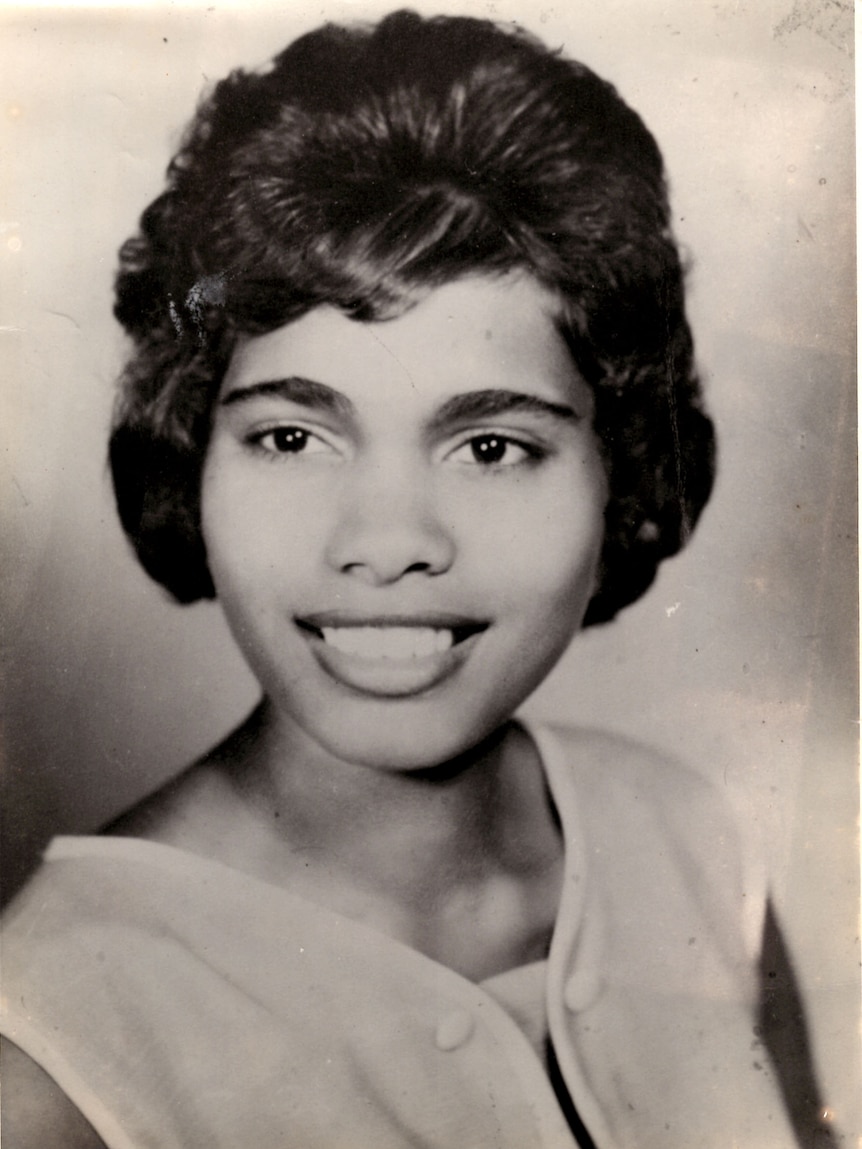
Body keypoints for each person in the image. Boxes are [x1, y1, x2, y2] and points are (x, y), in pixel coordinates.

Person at [0, 10, 834, 1148]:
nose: (387, 543)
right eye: (293, 437)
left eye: (491, 446)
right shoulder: (49, 1053)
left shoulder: (687, 836)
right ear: (190, 459)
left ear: (622, 471)